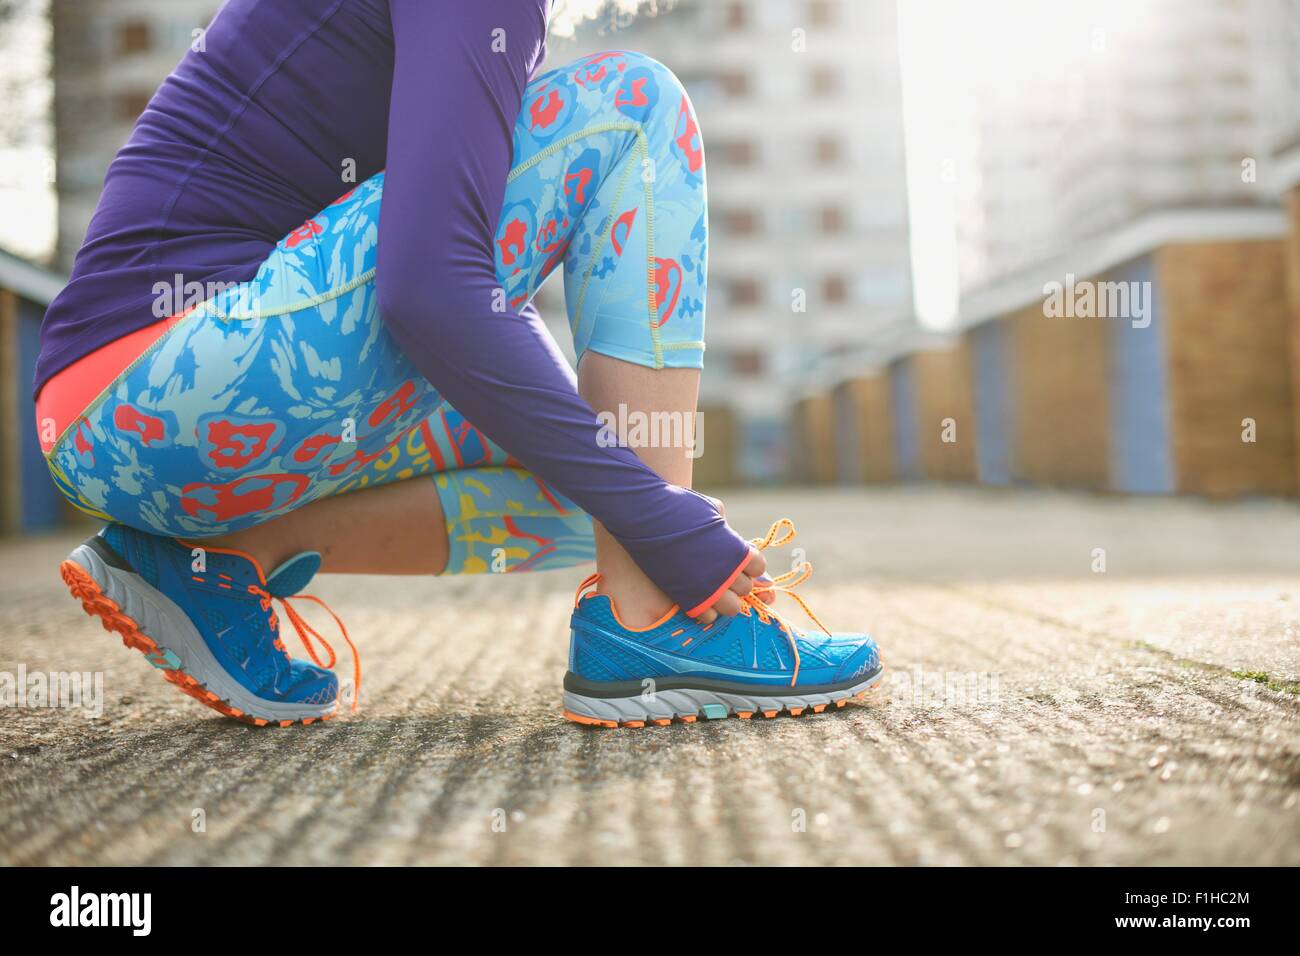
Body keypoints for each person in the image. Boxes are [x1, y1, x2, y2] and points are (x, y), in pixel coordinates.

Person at [35, 0, 881, 729]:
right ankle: (657, 621)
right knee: (634, 109)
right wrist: (664, 520)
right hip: (157, 369)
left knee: (579, 474)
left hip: (139, 424)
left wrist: (643, 505)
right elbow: (432, 288)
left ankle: (224, 559)